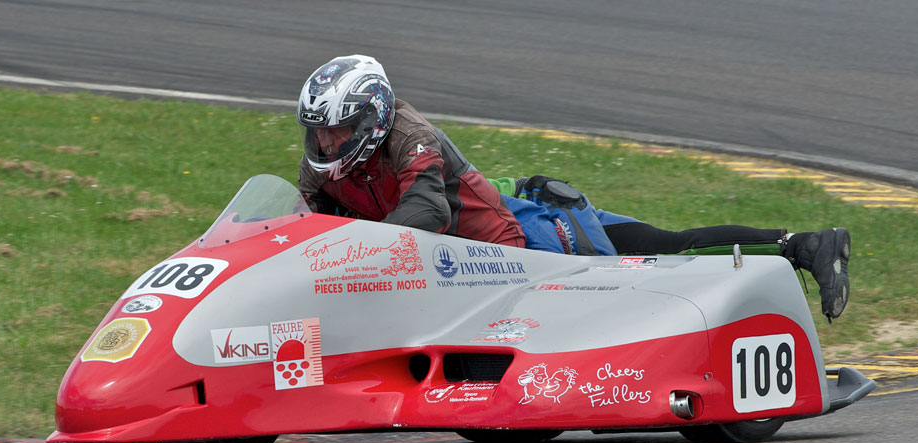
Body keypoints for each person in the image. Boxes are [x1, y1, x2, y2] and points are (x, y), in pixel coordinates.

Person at [295, 55, 850, 320]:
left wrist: (353, 249)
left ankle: (802, 246)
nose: (325, 144)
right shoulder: (325, 165)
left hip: (523, 251)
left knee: (662, 251)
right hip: (461, 260)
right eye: (318, 133)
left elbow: (427, 209)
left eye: (337, 131)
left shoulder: (412, 137)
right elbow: (300, 225)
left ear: (372, 120)